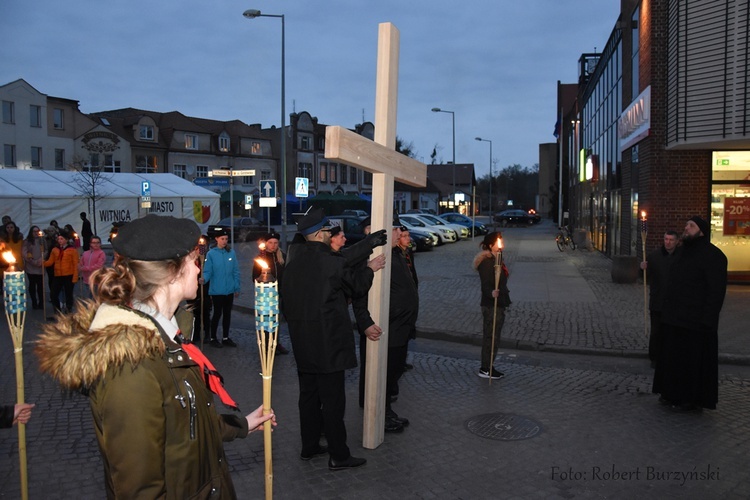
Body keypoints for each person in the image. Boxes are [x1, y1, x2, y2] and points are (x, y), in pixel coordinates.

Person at [35, 214, 276, 498]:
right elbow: (140, 490)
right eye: (192, 260)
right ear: (171, 273)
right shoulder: (130, 368)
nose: (198, 269)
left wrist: (242, 425)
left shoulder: (167, 339)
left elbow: (185, 423)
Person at [281, 207, 385, 471]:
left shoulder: (292, 261)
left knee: (308, 396)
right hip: (329, 343)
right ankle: (339, 455)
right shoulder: (331, 262)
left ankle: (310, 445)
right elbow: (357, 285)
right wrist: (371, 268)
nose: (331, 235)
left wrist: (367, 244)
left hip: (303, 342)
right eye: (328, 231)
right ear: (319, 234)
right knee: (333, 401)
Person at [653, 216, 728, 412]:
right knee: (672, 360)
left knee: (691, 364)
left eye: (691, 226)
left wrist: (708, 319)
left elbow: (715, 292)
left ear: (701, 231)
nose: (686, 228)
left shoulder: (714, 256)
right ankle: (670, 393)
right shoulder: (682, 251)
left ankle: (690, 398)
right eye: (686, 225)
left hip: (694, 322)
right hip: (673, 318)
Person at [473, 232, 511, 380]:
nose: (501, 244)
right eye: (498, 242)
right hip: (491, 305)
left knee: (495, 337)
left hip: (499, 303)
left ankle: (490, 365)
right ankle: (485, 368)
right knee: (490, 337)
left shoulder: (497, 259)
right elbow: (486, 284)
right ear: (490, 245)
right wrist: (491, 293)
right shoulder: (487, 262)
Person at [640, 230, 680, 367]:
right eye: (666, 239)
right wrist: (642, 269)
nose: (668, 242)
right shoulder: (654, 257)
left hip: (675, 302)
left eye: (671, 240)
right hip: (658, 301)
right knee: (656, 332)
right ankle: (655, 358)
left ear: (677, 241)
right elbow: (645, 276)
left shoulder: (681, 257)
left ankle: (670, 356)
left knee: (672, 332)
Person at [203, 226, 241, 348]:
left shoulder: (231, 253)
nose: (225, 241)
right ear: (217, 239)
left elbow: (235, 271)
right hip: (217, 290)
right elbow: (208, 271)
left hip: (229, 290)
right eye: (222, 239)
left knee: (227, 314)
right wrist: (203, 279)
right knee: (217, 313)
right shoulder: (211, 254)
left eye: (226, 239)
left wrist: (236, 287)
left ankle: (225, 337)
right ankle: (213, 337)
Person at [252, 232, 289, 354]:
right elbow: (254, 277)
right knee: (266, 320)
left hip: (280, 293)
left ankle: (276, 343)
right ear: (266, 244)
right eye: (270, 243)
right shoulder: (261, 258)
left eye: (275, 243)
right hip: (266, 294)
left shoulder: (281, 256)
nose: (273, 245)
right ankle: (267, 344)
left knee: (276, 320)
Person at [43, 233, 79, 313]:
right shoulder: (55, 250)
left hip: (69, 275)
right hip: (58, 275)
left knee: (68, 294)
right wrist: (43, 263)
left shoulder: (72, 250)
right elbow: (51, 261)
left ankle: (69, 309)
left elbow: (75, 264)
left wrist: (75, 277)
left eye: (61, 239)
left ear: (66, 239)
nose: (59, 241)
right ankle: (57, 310)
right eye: (58, 239)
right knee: (53, 294)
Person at [186, 235, 211, 344]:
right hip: (193, 291)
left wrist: (205, 279)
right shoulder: (191, 259)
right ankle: (195, 334)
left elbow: (211, 271)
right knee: (195, 314)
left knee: (205, 313)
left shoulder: (207, 258)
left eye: (203, 245)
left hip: (205, 291)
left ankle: (207, 334)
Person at [22, 226, 45, 309]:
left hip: (40, 265)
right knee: (32, 285)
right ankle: (34, 302)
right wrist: (31, 261)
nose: (35, 233)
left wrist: (41, 260)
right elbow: (24, 253)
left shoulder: (42, 241)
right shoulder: (27, 242)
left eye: (37, 231)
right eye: (34, 231)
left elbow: (45, 251)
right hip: (31, 266)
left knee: (40, 286)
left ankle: (41, 302)